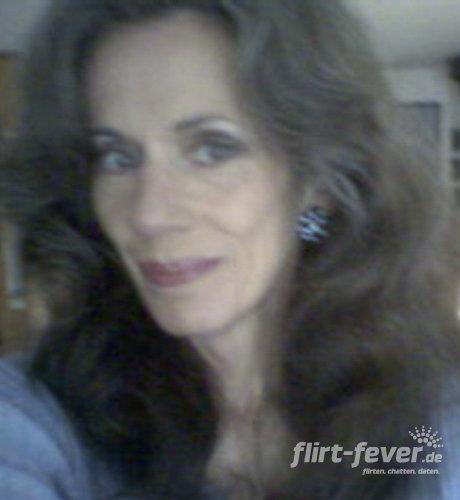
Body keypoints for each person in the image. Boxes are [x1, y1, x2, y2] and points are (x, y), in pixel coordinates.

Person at [0, 0, 459, 498]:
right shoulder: (34, 421)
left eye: (212, 149)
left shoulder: (432, 414)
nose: (148, 215)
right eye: (117, 157)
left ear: (318, 182)